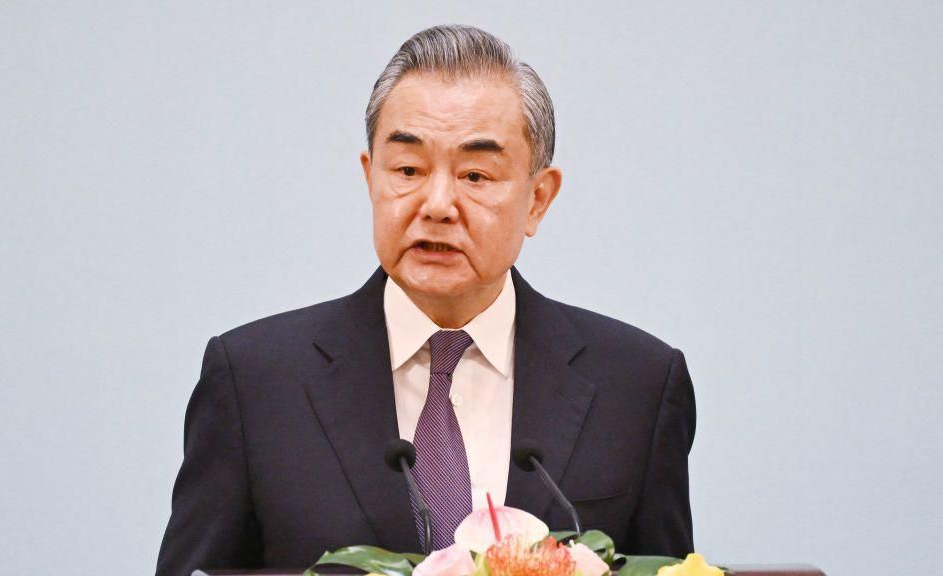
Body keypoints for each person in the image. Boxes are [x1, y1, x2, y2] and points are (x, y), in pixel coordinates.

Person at [156, 24, 696, 575]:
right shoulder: (254, 383)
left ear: (538, 198)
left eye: (475, 174)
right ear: (372, 178)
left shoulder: (638, 386)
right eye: (408, 170)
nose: (438, 204)